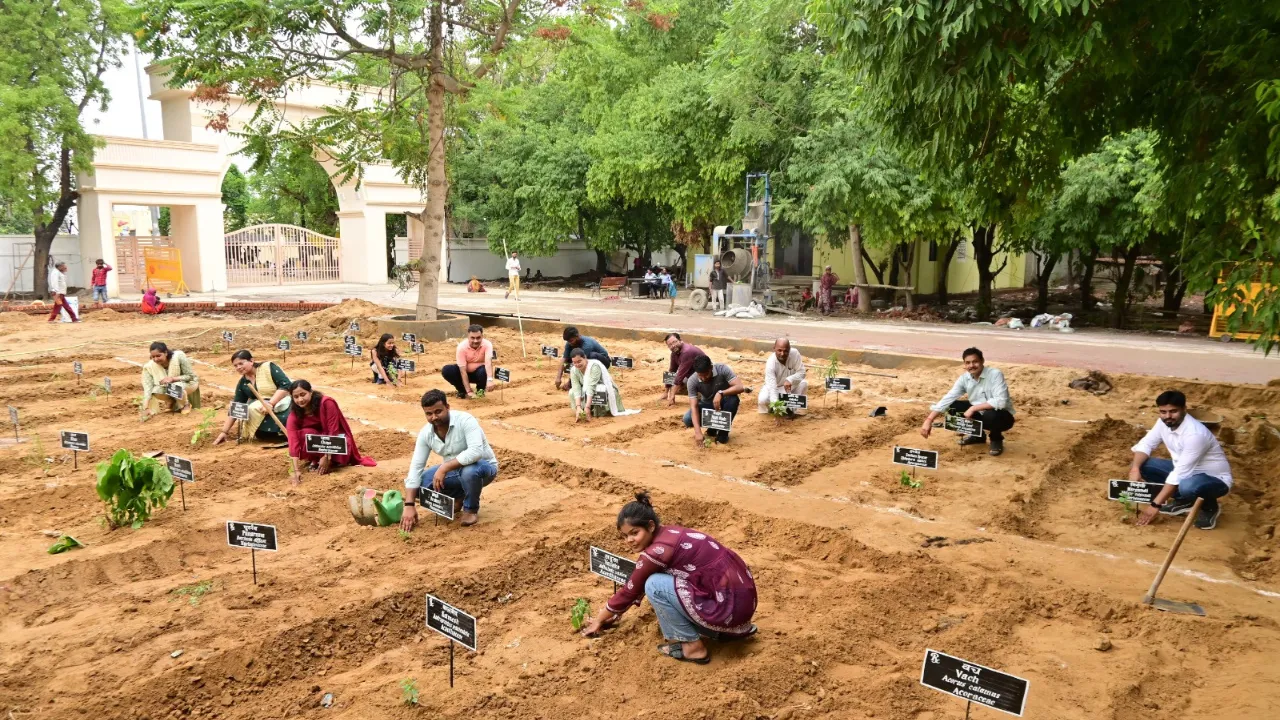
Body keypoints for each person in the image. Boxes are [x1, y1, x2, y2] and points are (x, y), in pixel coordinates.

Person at [580, 492, 757, 664]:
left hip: (728, 608)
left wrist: (599, 619)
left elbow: (630, 591)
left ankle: (692, 647)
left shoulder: (657, 552)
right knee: (659, 577)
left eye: (634, 533)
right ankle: (720, 631)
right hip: (740, 602)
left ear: (650, 526)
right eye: (625, 536)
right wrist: (617, 614)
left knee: (654, 585)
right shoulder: (670, 533)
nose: (629, 540)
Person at [1130, 390, 1232, 530]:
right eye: (1163, 412)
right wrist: (1135, 468)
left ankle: (1210, 507)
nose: (1168, 416)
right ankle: (1185, 500)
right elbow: (1146, 444)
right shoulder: (1162, 423)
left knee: (1188, 487)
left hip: (1215, 479)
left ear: (1184, 409)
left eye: (1173, 411)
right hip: (1185, 472)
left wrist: (1155, 505)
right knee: (1143, 464)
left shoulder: (1195, 434)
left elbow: (1179, 474)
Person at [400, 389, 500, 529]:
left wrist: (445, 467)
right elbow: (416, 467)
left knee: (469, 472)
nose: (434, 417)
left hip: (482, 467)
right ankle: (458, 498)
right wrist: (409, 505)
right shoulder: (425, 433)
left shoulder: (465, 420)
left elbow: (476, 452)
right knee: (419, 486)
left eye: (438, 411)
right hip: (455, 471)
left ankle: (470, 509)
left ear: (447, 407)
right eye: (429, 414)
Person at [919, 347, 1015, 456]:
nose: (971, 365)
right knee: (952, 407)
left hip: (1001, 416)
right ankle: (977, 436)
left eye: (975, 362)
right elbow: (948, 398)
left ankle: (996, 438)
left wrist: (973, 408)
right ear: (964, 364)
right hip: (978, 412)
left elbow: (1001, 401)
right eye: (968, 363)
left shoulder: (995, 374)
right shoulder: (964, 378)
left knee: (991, 415)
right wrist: (929, 419)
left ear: (982, 361)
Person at [285, 380, 376, 485]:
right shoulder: (294, 414)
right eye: (296, 397)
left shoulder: (327, 403)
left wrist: (326, 456)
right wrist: (295, 470)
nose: (300, 400)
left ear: (311, 392)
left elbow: (333, 431)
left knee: (343, 444)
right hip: (318, 442)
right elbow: (293, 440)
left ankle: (332, 462)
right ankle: (315, 459)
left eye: (303, 394)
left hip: (334, 439)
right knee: (304, 434)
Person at [214, 350, 292, 444]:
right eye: (235, 365)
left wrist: (271, 403)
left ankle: (285, 432)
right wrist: (224, 432)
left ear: (251, 361)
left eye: (241, 363)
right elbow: (237, 406)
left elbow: (286, 385)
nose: (238, 367)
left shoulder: (268, 368)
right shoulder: (243, 383)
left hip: (283, 404)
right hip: (261, 411)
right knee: (252, 411)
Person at [685, 355, 745, 445]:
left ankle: (722, 435)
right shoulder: (692, 381)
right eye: (700, 375)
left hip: (724, 403)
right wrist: (698, 432)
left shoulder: (722, 369)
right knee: (687, 419)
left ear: (711, 367)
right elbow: (694, 406)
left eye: (706, 374)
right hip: (707, 405)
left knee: (733, 400)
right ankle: (713, 428)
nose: (704, 378)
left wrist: (721, 393)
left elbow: (740, 387)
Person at [569, 348, 640, 420]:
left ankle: (595, 410)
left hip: (604, 389)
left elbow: (591, 387)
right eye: (574, 362)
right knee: (572, 392)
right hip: (586, 390)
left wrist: (587, 407)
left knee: (598, 390)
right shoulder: (574, 370)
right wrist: (578, 406)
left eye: (579, 361)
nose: (577, 364)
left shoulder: (594, 366)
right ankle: (581, 410)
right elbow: (576, 387)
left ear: (585, 358)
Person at [140, 341, 200, 418]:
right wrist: (146, 408)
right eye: (153, 357)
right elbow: (148, 388)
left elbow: (191, 376)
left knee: (173, 386)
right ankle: (171, 401)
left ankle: (186, 405)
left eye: (158, 356)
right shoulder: (149, 366)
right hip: (169, 387)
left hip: (189, 383)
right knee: (155, 390)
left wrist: (173, 379)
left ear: (166, 353)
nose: (156, 359)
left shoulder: (179, 357)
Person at [442, 324, 494, 399]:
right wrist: (469, 391)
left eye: (478, 338)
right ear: (468, 337)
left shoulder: (487, 345)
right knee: (447, 370)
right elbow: (462, 371)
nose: (475, 341)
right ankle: (462, 391)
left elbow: (488, 363)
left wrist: (490, 380)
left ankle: (480, 392)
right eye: (472, 338)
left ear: (482, 336)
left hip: (479, 375)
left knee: (483, 370)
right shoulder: (461, 347)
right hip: (464, 374)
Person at [757, 338, 807, 414]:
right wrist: (776, 410)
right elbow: (773, 389)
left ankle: (795, 410)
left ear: (789, 349)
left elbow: (802, 372)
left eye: (786, 351)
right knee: (763, 400)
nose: (782, 354)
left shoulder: (795, 354)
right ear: (774, 349)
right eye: (779, 350)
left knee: (803, 384)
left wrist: (790, 379)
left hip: (790, 387)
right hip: (775, 386)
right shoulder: (771, 363)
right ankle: (773, 409)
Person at [555, 326, 610, 390]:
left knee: (589, 357)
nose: (570, 343)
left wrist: (570, 383)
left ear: (577, 336)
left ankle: (585, 381)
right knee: (571, 358)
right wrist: (558, 377)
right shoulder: (569, 344)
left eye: (571, 341)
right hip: (587, 359)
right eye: (568, 341)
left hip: (603, 362)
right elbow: (564, 359)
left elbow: (580, 363)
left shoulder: (587, 345)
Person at [663, 332, 707, 406]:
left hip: (704, 378)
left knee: (676, 386)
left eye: (674, 342)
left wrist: (672, 395)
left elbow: (680, 376)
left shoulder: (686, 352)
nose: (673, 345)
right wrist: (666, 392)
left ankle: (702, 395)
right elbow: (672, 371)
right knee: (674, 386)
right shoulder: (674, 353)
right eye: (670, 345)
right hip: (692, 376)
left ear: (680, 340)